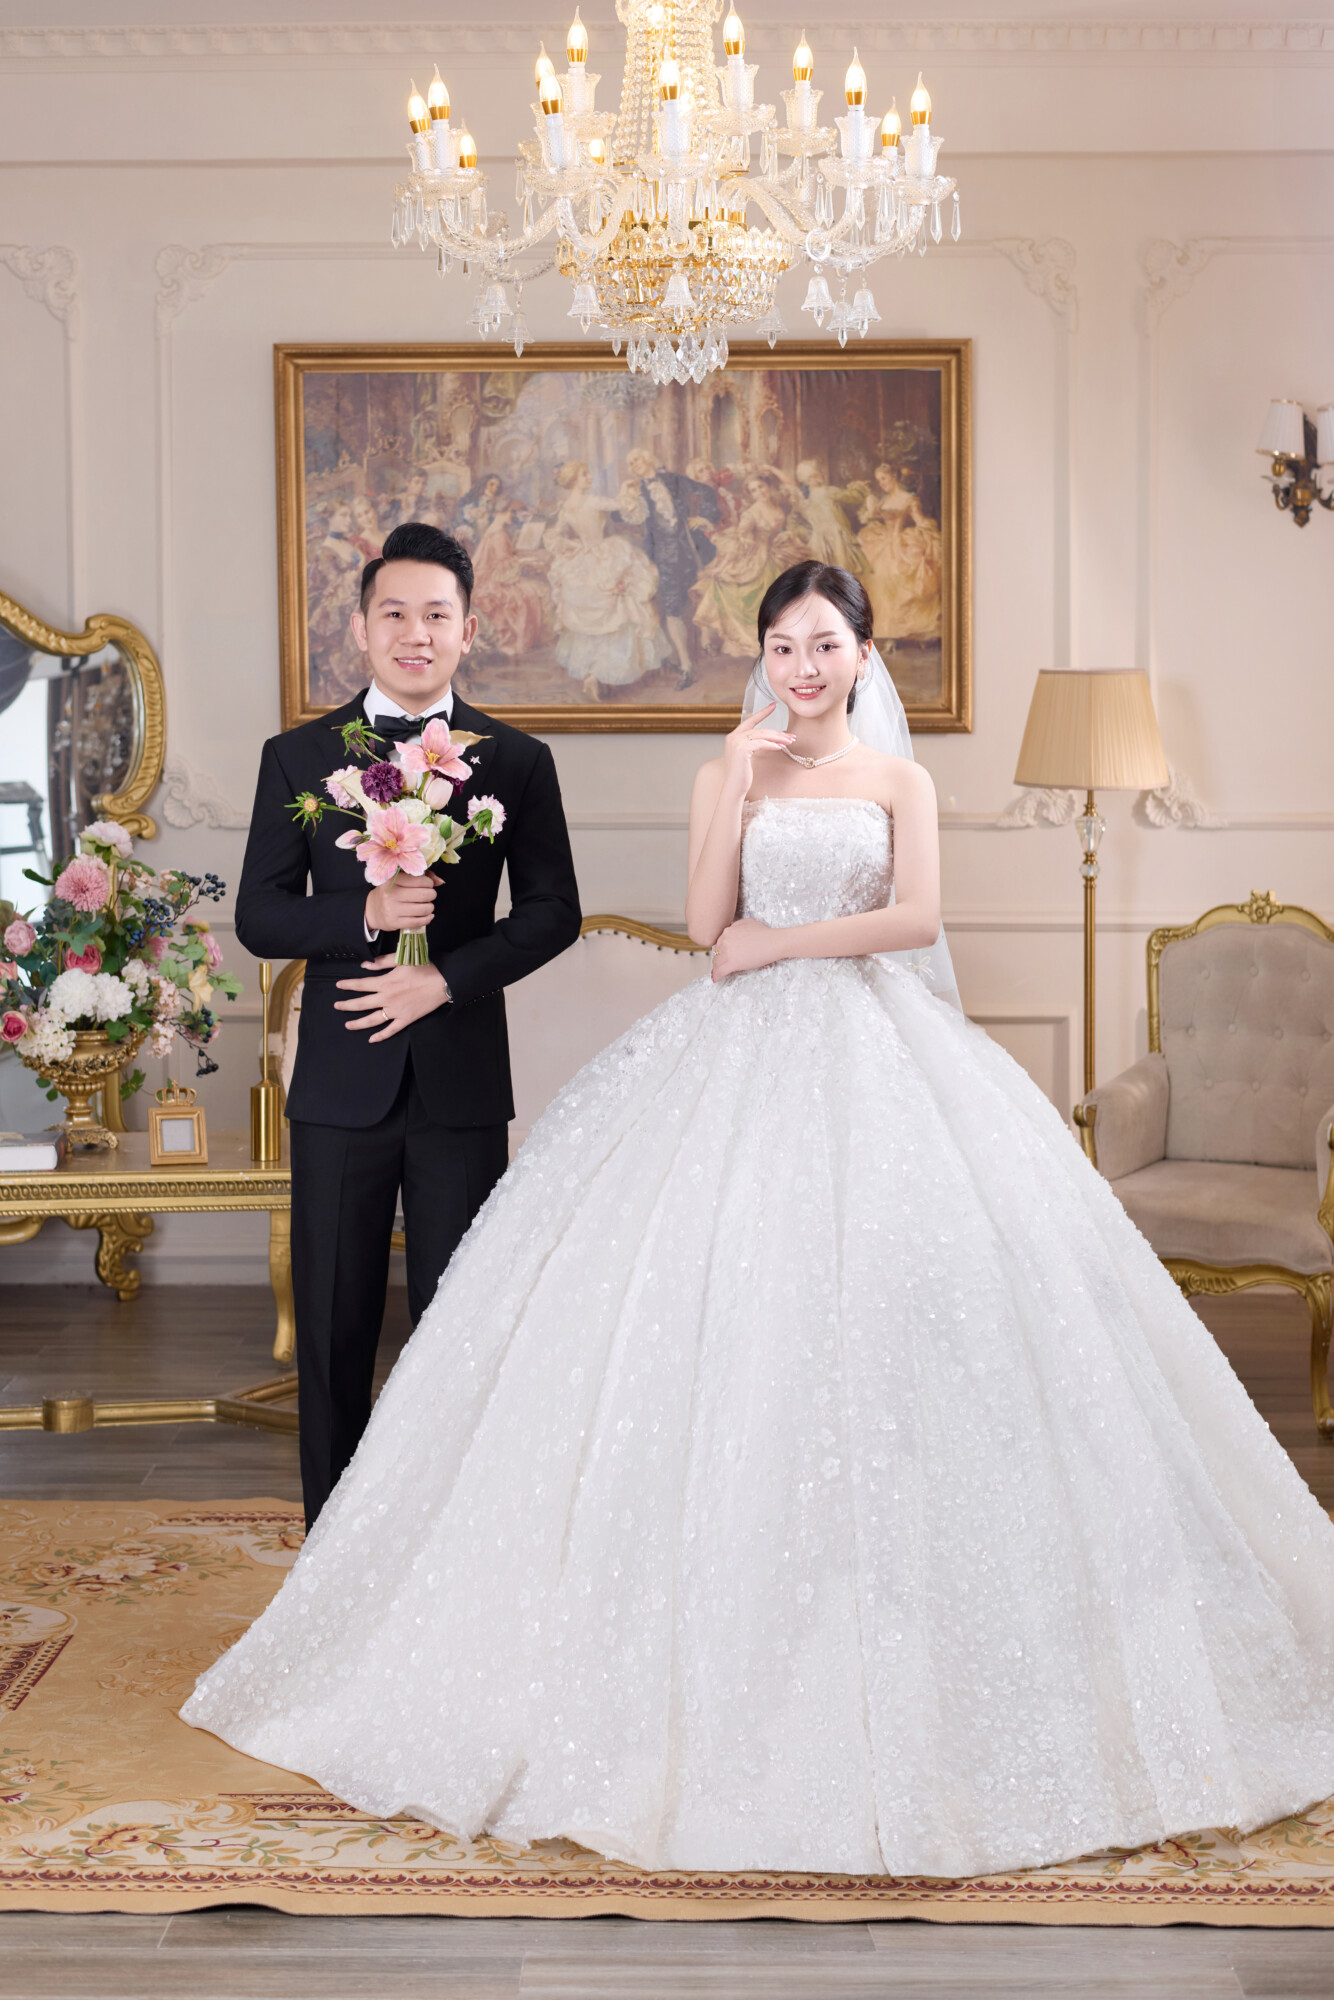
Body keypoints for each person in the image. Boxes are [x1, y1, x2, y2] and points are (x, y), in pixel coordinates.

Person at [186, 560, 1334, 1880]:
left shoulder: (895, 780)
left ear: (861, 657)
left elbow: (914, 917)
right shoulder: (726, 766)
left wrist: (782, 945)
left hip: (871, 1041)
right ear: (763, 656)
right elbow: (701, 922)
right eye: (782, 644)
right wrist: (734, 785)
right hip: (728, 1049)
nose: (801, 665)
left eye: (823, 643)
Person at [232, 520, 582, 1529]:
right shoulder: (299, 757)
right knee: (331, 1332)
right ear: (360, 628)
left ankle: (443, 1549)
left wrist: (445, 981)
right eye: (395, 613)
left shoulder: (516, 761)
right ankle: (329, 1553)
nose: (415, 633)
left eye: (436, 615)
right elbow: (260, 915)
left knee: (456, 1332)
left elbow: (553, 912)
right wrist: (366, 914)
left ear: (469, 630)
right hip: (340, 1085)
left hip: (459, 1083)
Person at [544, 460, 669, 701]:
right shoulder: (592, 501)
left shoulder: (566, 507)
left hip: (583, 560)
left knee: (599, 617)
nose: (589, 478)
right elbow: (622, 505)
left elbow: (553, 536)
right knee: (619, 614)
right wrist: (626, 490)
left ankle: (592, 674)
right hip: (603, 556)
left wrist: (573, 545)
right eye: (584, 474)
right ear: (574, 480)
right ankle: (600, 674)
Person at [616, 448, 721, 687]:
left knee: (702, 594)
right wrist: (625, 497)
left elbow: (706, 491)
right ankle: (686, 666)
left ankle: (706, 641)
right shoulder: (636, 489)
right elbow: (623, 517)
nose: (634, 465)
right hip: (662, 555)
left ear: (648, 458)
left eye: (637, 459)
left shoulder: (673, 479)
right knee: (673, 609)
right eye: (630, 463)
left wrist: (705, 518)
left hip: (690, 549)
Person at [857, 461, 942, 644]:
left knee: (897, 580)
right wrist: (870, 506)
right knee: (877, 581)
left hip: (899, 545)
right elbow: (870, 517)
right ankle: (884, 633)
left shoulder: (909, 499)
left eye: (884, 478)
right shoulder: (884, 500)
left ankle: (897, 633)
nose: (881, 483)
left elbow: (919, 521)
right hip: (884, 543)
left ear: (893, 477)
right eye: (879, 480)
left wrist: (927, 531)